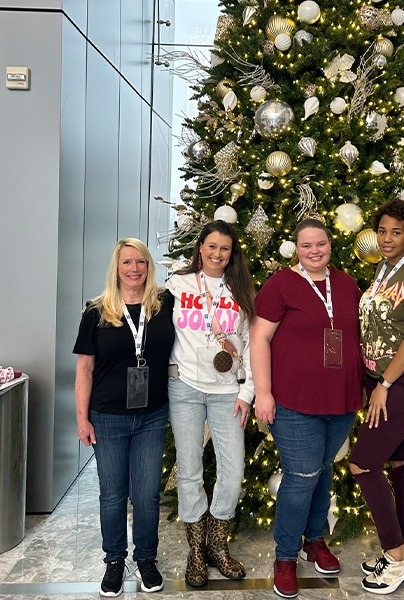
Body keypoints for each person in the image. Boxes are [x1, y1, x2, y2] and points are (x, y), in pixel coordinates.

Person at [251, 218, 363, 598]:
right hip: (295, 401)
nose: (315, 251)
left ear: (331, 244)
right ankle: (285, 556)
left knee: (324, 470)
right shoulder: (280, 285)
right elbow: (259, 339)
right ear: (296, 249)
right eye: (306, 246)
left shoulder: (346, 284)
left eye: (321, 244)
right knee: (300, 477)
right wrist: (262, 393)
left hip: (342, 399)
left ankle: (314, 540)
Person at [74, 238, 175, 597]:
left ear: (149, 267)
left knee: (147, 495)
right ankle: (114, 560)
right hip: (108, 417)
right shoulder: (96, 312)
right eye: (127, 263)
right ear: (116, 268)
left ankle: (147, 559)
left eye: (141, 263)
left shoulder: (164, 306)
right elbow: (84, 368)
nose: (134, 269)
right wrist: (82, 419)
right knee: (113, 495)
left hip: (152, 415)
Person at [349, 198, 404, 595]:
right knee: (402, 459)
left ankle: (397, 558)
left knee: (363, 464)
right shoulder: (382, 270)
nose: (387, 239)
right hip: (378, 379)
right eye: (382, 231)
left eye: (396, 232)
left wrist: (384, 385)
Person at [166, 220, 255, 587]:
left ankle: (217, 544)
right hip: (184, 388)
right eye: (212, 246)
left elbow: (250, 345)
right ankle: (196, 551)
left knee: (232, 472)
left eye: (225, 248)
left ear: (232, 253)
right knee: (189, 471)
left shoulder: (241, 289)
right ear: (200, 246)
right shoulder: (177, 283)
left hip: (226, 392)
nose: (217, 254)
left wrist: (247, 393)